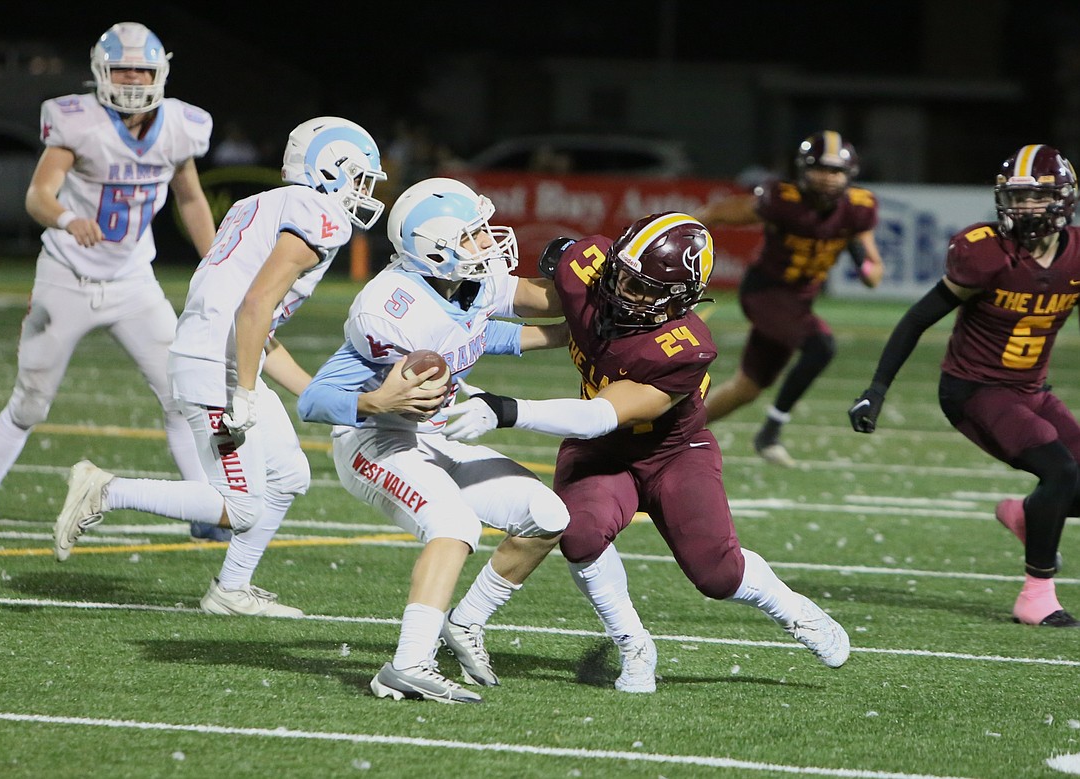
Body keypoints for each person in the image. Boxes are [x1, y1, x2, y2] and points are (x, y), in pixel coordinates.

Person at [442, 211, 851, 693]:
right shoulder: (587, 268)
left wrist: (509, 410)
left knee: (716, 575)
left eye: (642, 289)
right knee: (581, 535)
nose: (621, 292)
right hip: (600, 452)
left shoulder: (683, 347)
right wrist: (437, 303)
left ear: (680, 300)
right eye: (620, 275)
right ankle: (633, 643)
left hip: (673, 450)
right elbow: (516, 297)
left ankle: (791, 608)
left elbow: (604, 413)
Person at [51, 116, 389, 619]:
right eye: (360, 177)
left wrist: (333, 401)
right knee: (241, 506)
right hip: (216, 369)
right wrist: (246, 394)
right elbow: (254, 306)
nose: (363, 191)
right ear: (330, 170)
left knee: (290, 475)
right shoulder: (320, 214)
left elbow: (258, 328)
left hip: (219, 358)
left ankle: (230, 589)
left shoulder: (257, 205)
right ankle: (106, 490)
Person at [297, 177, 571, 704]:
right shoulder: (389, 309)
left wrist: (582, 321)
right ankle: (408, 664)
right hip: (373, 440)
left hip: (434, 433)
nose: (488, 243)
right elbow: (312, 400)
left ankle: (465, 623)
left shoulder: (466, 279)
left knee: (547, 516)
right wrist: (378, 402)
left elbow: (485, 328)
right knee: (454, 522)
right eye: (472, 235)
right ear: (434, 248)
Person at [0, 22, 221, 541]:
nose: (134, 79)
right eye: (123, 69)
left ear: (160, 71)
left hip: (133, 282)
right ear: (102, 72)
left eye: (143, 69)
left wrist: (212, 260)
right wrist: (66, 218)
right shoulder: (80, 121)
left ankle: (204, 508)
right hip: (67, 277)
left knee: (179, 394)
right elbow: (38, 194)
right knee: (31, 399)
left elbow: (189, 197)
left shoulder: (178, 127)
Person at [849, 144, 1080, 629]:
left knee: (1067, 481)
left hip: (1032, 389)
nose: (1024, 209)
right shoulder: (986, 252)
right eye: (1015, 198)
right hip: (974, 389)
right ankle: (1036, 596)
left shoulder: (1075, 254)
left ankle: (1025, 515)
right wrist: (877, 388)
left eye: (1035, 198)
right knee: (1058, 470)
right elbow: (917, 319)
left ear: (1063, 200)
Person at [698, 131, 884, 466]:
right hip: (765, 292)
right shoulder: (782, 199)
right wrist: (682, 230)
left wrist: (865, 263)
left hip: (798, 303)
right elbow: (718, 213)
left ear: (849, 175)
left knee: (748, 388)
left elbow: (873, 271)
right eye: (820, 169)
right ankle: (771, 431)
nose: (828, 179)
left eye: (836, 171)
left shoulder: (858, 208)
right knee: (820, 346)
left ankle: (677, 432)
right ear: (802, 170)